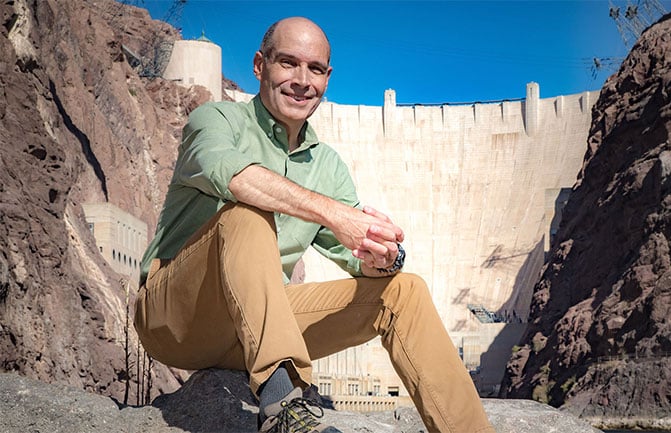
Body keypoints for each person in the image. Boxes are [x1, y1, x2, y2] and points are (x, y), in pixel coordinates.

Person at [134, 16, 494, 433]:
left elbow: (357, 259)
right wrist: (336, 214)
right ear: (259, 66)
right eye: (288, 63)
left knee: (403, 292)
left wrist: (384, 256)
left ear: (327, 78)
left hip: (254, 329)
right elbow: (233, 176)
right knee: (247, 214)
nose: (302, 80)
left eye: (316, 69)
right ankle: (283, 411)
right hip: (176, 318)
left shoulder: (327, 166)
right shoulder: (217, 121)